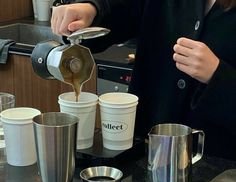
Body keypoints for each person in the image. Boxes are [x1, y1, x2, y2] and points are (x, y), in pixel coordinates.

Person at [51, 0, 236, 160]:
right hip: (148, 155)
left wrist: (217, 74)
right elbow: (121, 8)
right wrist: (91, 9)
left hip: (220, 173)